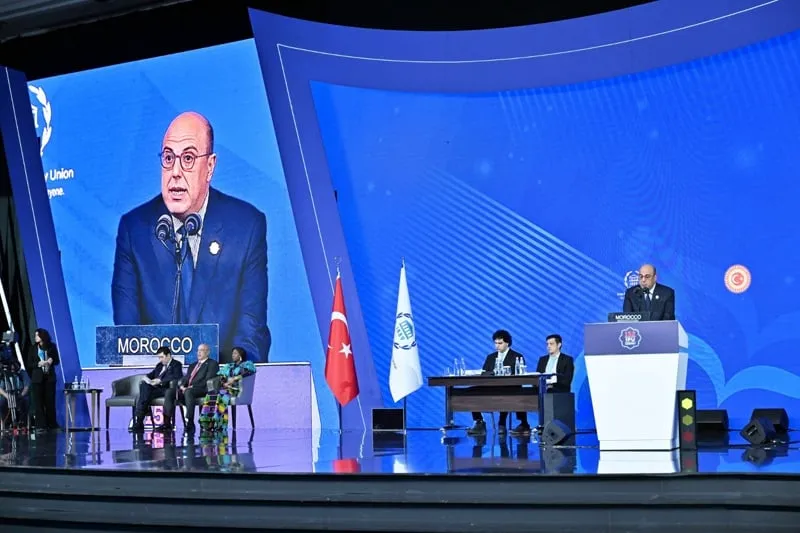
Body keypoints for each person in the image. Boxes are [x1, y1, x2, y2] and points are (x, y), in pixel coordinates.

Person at [111, 111, 271, 363]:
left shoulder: (245, 227)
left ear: (210, 167)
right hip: (158, 381)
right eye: (168, 158)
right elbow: (127, 337)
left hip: (219, 382)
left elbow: (251, 332)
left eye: (188, 158)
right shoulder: (134, 230)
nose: (175, 172)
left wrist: (230, 373)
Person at [467, 330, 531, 437]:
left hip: (510, 388)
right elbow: (484, 373)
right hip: (491, 387)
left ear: (507, 343)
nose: (497, 346)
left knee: (508, 392)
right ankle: (479, 421)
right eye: (495, 343)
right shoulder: (491, 357)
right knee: (471, 391)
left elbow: (519, 376)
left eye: (500, 343)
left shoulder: (517, 356)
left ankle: (503, 423)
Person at [198, 346, 256, 437]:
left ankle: (219, 423)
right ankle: (207, 421)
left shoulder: (247, 365)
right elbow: (221, 376)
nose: (233, 355)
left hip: (237, 390)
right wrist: (224, 383)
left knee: (222, 395)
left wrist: (235, 378)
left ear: (240, 355)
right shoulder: (229, 366)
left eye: (235, 353)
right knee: (211, 394)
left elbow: (250, 372)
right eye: (232, 353)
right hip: (226, 388)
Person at [162, 343, 219, 433]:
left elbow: (208, 379)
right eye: (198, 350)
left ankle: (190, 422)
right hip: (188, 389)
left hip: (202, 389)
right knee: (169, 392)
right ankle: (167, 423)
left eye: (202, 350)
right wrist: (182, 386)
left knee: (188, 391)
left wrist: (192, 387)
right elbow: (186, 378)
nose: (199, 353)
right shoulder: (193, 365)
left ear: (208, 352)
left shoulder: (212, 364)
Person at [132, 346, 183, 432]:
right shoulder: (159, 365)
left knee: (145, 395)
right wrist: (146, 378)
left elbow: (176, 376)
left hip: (167, 389)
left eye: (162, 357)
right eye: (159, 357)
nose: (160, 359)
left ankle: (139, 420)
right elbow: (151, 374)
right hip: (157, 389)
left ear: (168, 355)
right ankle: (140, 421)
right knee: (144, 386)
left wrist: (160, 381)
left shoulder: (176, 365)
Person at [27, 328, 59, 431]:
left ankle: (52, 424)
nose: (35, 337)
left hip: (49, 378)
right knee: (38, 403)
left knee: (50, 402)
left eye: (37, 335)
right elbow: (29, 364)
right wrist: (38, 364)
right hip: (37, 379)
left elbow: (57, 361)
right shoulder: (32, 348)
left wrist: (51, 360)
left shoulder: (51, 347)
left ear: (43, 336)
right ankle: (40, 425)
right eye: (35, 335)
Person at [0, 359, 30, 430]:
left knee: (25, 401)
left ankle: (22, 423)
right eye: (11, 367)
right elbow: (0, 388)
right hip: (8, 395)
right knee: (1, 402)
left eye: (14, 367)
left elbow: (27, 386)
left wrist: (21, 395)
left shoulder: (22, 373)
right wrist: (7, 396)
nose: (13, 369)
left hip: (20, 394)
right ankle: (5, 423)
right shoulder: (5, 374)